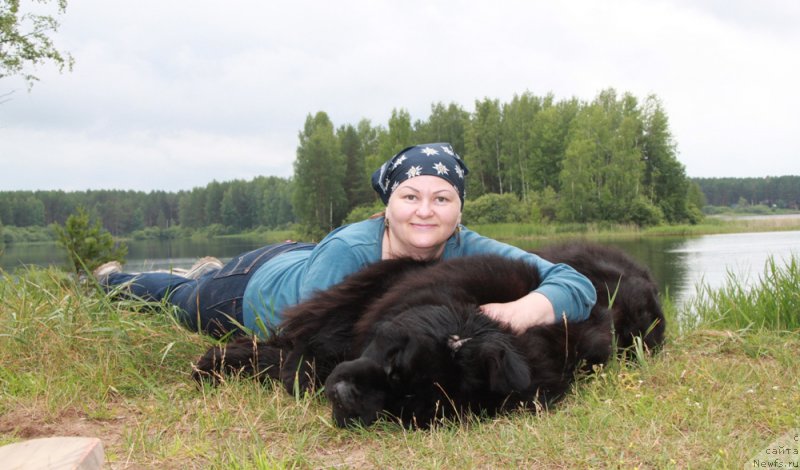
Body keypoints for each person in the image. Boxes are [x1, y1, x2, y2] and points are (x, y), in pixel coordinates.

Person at [99, 143, 596, 338]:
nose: (425, 211)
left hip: (300, 254)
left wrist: (519, 311)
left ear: (460, 209)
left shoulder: (470, 246)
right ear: (387, 206)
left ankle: (199, 270)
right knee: (176, 298)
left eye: (442, 199)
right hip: (251, 289)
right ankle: (114, 280)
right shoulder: (350, 252)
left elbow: (574, 283)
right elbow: (311, 338)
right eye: (410, 196)